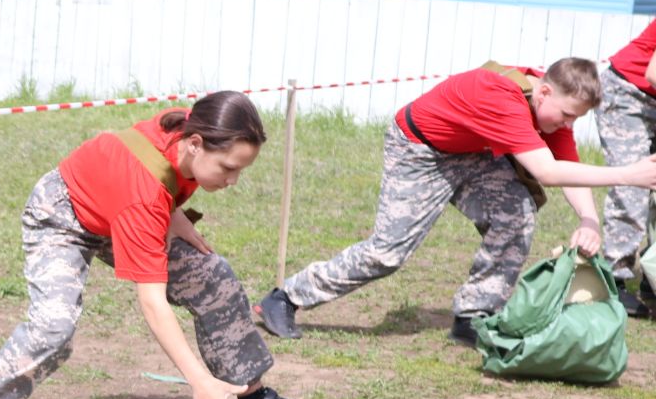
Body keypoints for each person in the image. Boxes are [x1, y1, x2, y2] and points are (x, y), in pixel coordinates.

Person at [0, 91, 321, 399]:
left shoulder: (191, 126)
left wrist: (173, 211)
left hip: (124, 208)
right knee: (53, 327)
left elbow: (152, 177)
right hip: (63, 218)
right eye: (227, 168)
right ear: (196, 144)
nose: (233, 180)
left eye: (240, 169)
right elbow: (152, 302)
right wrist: (198, 380)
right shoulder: (143, 197)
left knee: (212, 276)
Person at [259, 58, 656, 343]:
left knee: (515, 217)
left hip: (472, 154)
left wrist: (588, 220)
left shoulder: (546, 105)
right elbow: (548, 173)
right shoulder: (502, 97)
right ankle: (285, 298)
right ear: (545, 91)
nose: (567, 125)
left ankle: (474, 314)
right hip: (419, 150)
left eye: (575, 120)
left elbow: (565, 162)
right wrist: (627, 175)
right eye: (567, 115)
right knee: (386, 254)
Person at [598, 20, 656, 318]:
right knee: (633, 185)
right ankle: (613, 280)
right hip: (628, 94)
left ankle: (651, 276)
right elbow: (654, 72)